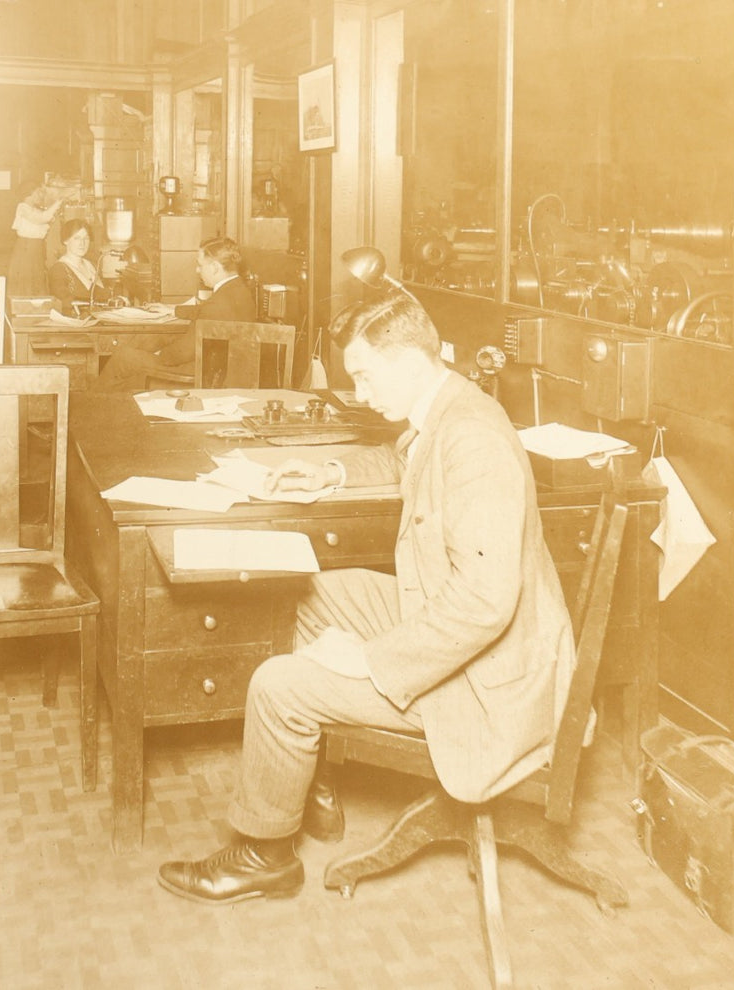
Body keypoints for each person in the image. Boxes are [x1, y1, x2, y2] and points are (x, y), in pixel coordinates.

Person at [156, 291, 575, 904]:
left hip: (491, 691)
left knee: (280, 685)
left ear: (408, 365)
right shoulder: (452, 406)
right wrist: (330, 472)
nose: (359, 392)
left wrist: (373, 660)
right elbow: (403, 457)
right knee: (312, 594)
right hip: (477, 638)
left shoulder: (475, 443)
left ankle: (264, 854)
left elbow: (484, 603)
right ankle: (310, 770)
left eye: (364, 376)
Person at [91, 236, 256, 391]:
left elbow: (180, 354)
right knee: (151, 341)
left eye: (200, 265)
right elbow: (207, 311)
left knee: (124, 357)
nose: (197, 270)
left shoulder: (217, 304)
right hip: (224, 368)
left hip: (198, 371)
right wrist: (173, 310)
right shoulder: (240, 290)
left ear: (214, 267)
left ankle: (94, 402)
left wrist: (157, 354)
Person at [7, 182, 65, 298]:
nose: (41, 196)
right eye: (38, 193)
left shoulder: (36, 210)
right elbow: (41, 219)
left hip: (36, 248)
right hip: (26, 248)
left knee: (36, 279)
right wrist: (58, 202)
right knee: (26, 282)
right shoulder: (23, 207)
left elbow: (46, 220)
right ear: (29, 194)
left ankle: (35, 310)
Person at [48, 219, 99, 312]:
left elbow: (102, 294)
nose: (82, 243)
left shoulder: (91, 265)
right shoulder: (58, 269)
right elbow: (65, 302)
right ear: (65, 241)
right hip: (72, 322)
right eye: (77, 238)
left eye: (86, 238)